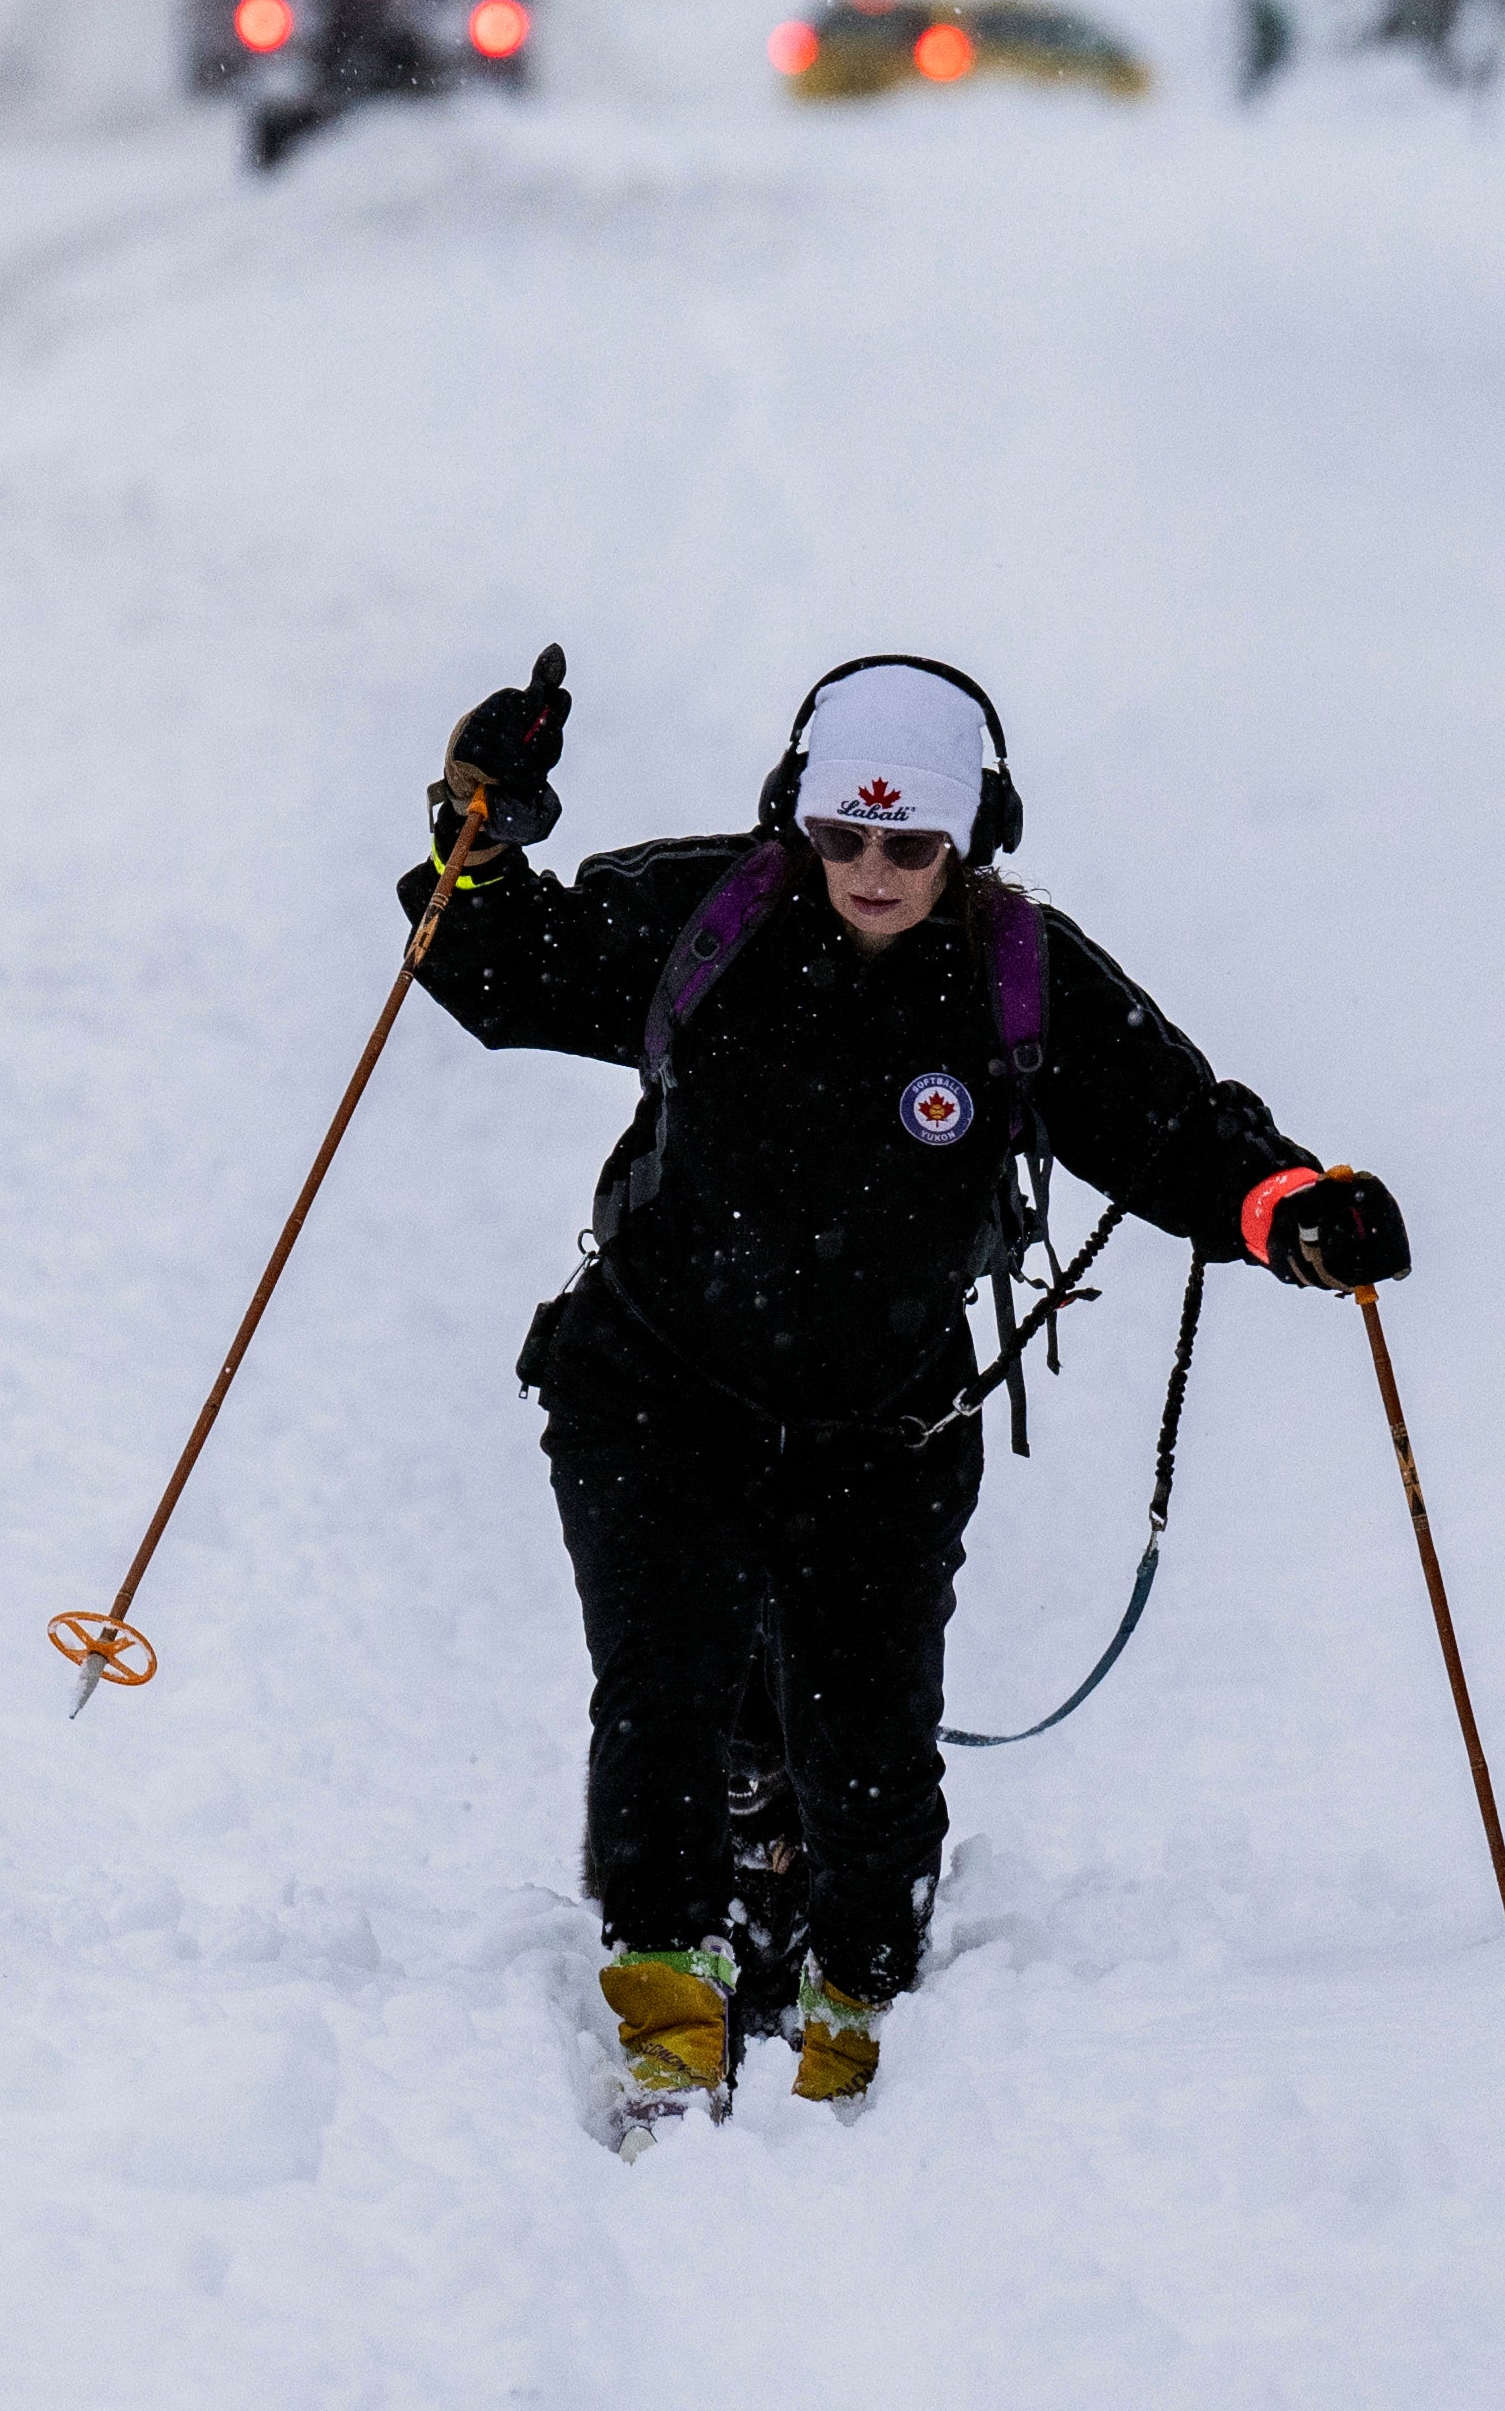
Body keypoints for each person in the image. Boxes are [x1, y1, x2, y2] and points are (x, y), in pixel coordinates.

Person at [404, 648, 1410, 2137]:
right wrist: (478, 834)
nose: (873, 872)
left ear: (973, 835)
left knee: (869, 1738)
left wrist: (1294, 1214)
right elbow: (492, 968)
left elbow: (1175, 1129)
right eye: (844, 838)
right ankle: (670, 2020)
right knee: (664, 1699)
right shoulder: (711, 913)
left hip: (887, 1429)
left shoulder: (1019, 972)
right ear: (796, 821)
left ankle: (853, 2009)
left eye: (913, 843)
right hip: (656, 1388)